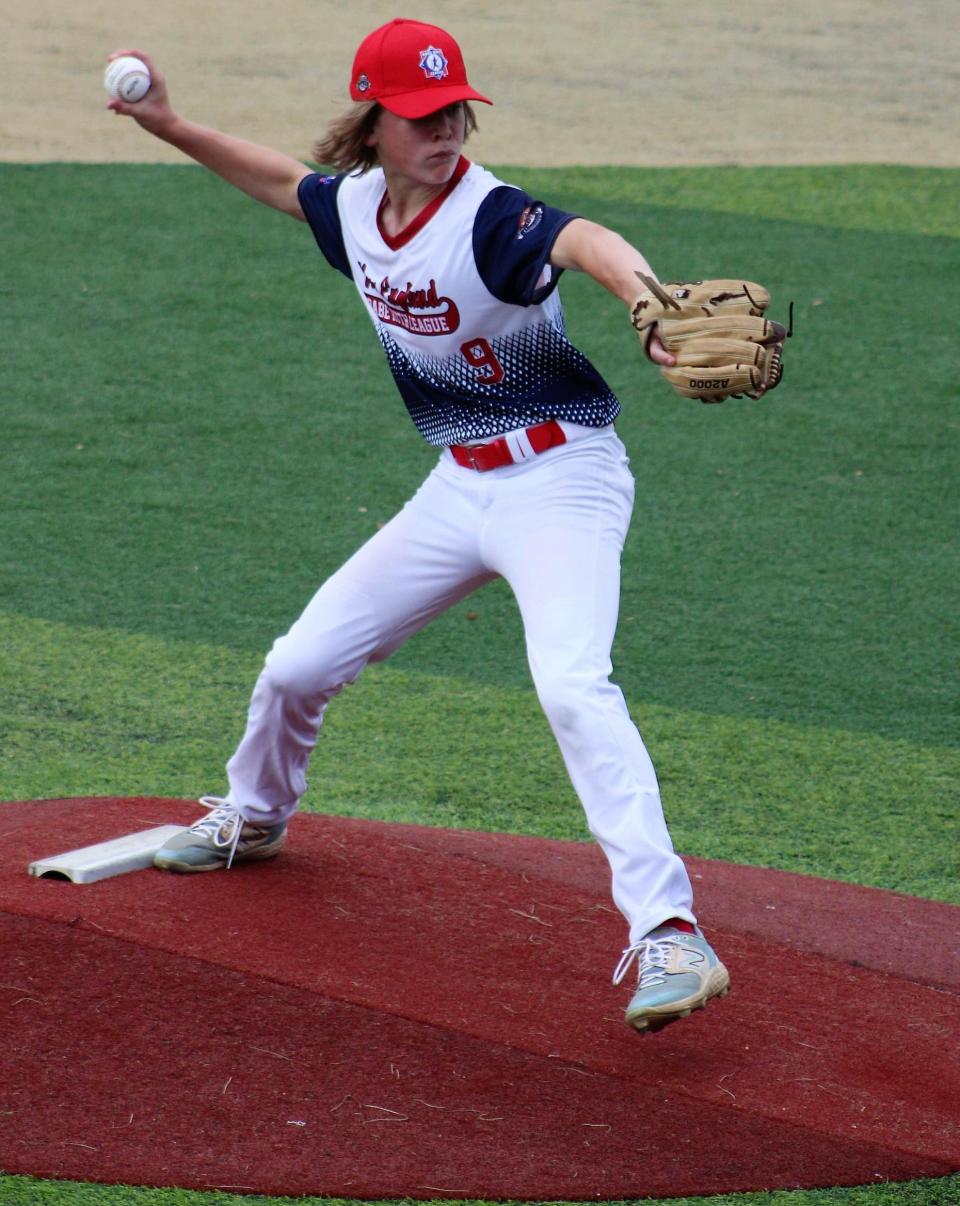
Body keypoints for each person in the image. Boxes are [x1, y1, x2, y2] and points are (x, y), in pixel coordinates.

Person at [106, 18, 730, 1034]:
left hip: (562, 479)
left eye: (455, 110)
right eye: (421, 115)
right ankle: (255, 818)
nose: (445, 129)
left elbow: (582, 239)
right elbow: (280, 184)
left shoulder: (490, 216)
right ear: (373, 123)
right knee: (295, 667)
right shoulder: (356, 208)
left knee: (573, 686)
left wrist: (649, 301)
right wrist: (167, 123)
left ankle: (670, 931)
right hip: (456, 488)